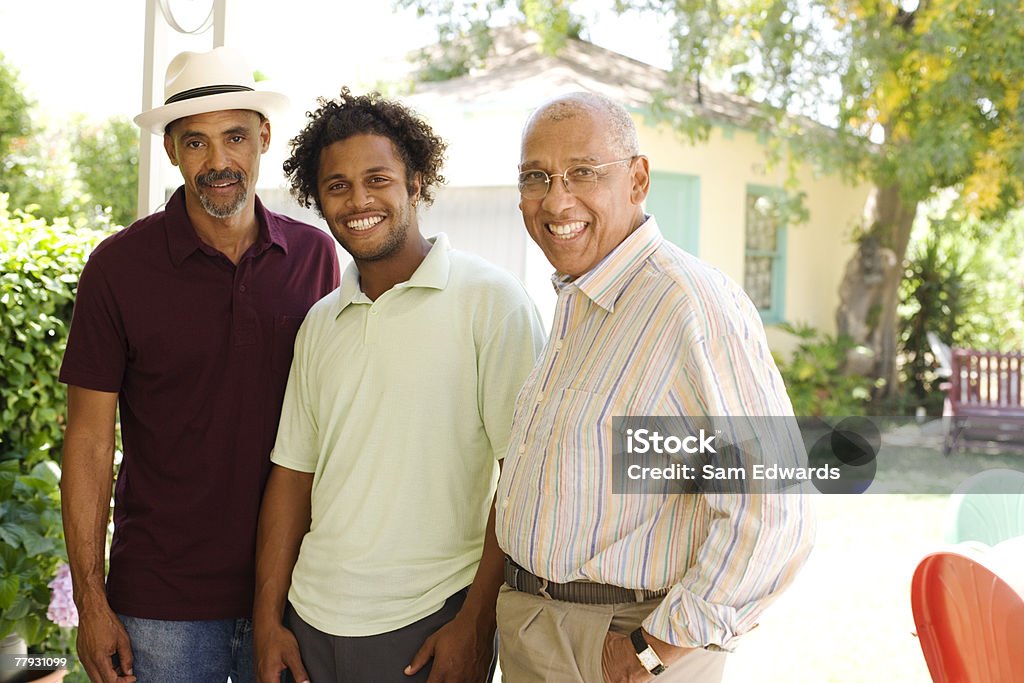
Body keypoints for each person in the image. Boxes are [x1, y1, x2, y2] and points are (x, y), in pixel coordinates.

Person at [494, 92, 815, 682]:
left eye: (584, 173)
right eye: (536, 177)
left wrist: (653, 649)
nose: (556, 199)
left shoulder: (688, 303)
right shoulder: (579, 301)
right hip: (538, 627)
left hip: (619, 643)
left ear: (637, 180)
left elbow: (775, 507)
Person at [59, 46, 340, 683]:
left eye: (235, 137)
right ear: (171, 151)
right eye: (196, 142)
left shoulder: (315, 257)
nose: (218, 162)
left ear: (264, 137)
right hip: (162, 605)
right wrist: (91, 599)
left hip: (299, 595)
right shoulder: (117, 269)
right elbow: (88, 440)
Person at [252, 89, 546, 683]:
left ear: (415, 183)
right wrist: (267, 622)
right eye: (337, 186)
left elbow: (523, 481)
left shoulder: (491, 302)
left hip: (425, 623)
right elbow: (291, 477)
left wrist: (476, 622)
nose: (358, 200)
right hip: (309, 623)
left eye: (378, 179)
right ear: (318, 201)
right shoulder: (320, 323)